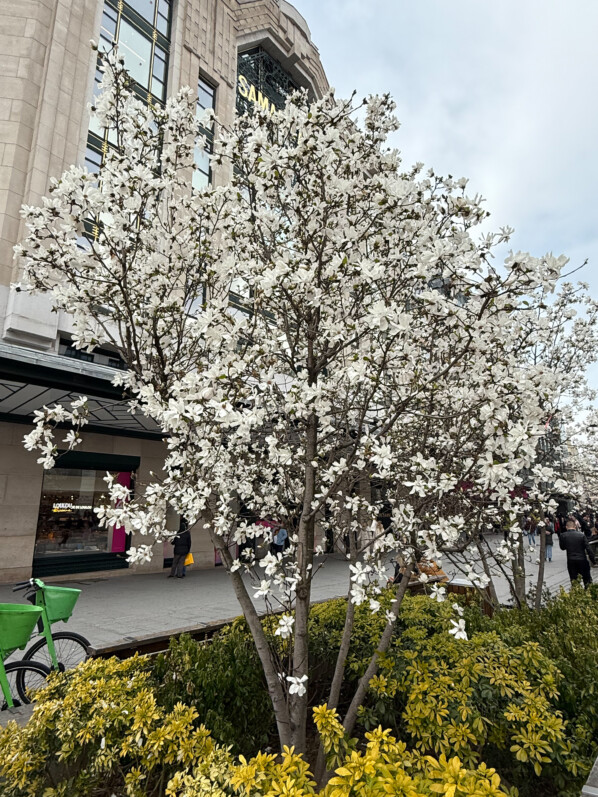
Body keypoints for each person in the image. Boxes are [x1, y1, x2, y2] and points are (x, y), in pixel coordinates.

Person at [559, 519, 595, 588]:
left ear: (566, 527)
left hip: (571, 560)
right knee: (587, 579)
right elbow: (588, 548)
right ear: (575, 526)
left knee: (574, 580)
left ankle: (576, 593)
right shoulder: (581, 535)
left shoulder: (563, 535)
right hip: (582, 559)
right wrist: (593, 560)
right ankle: (587, 592)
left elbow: (562, 547)